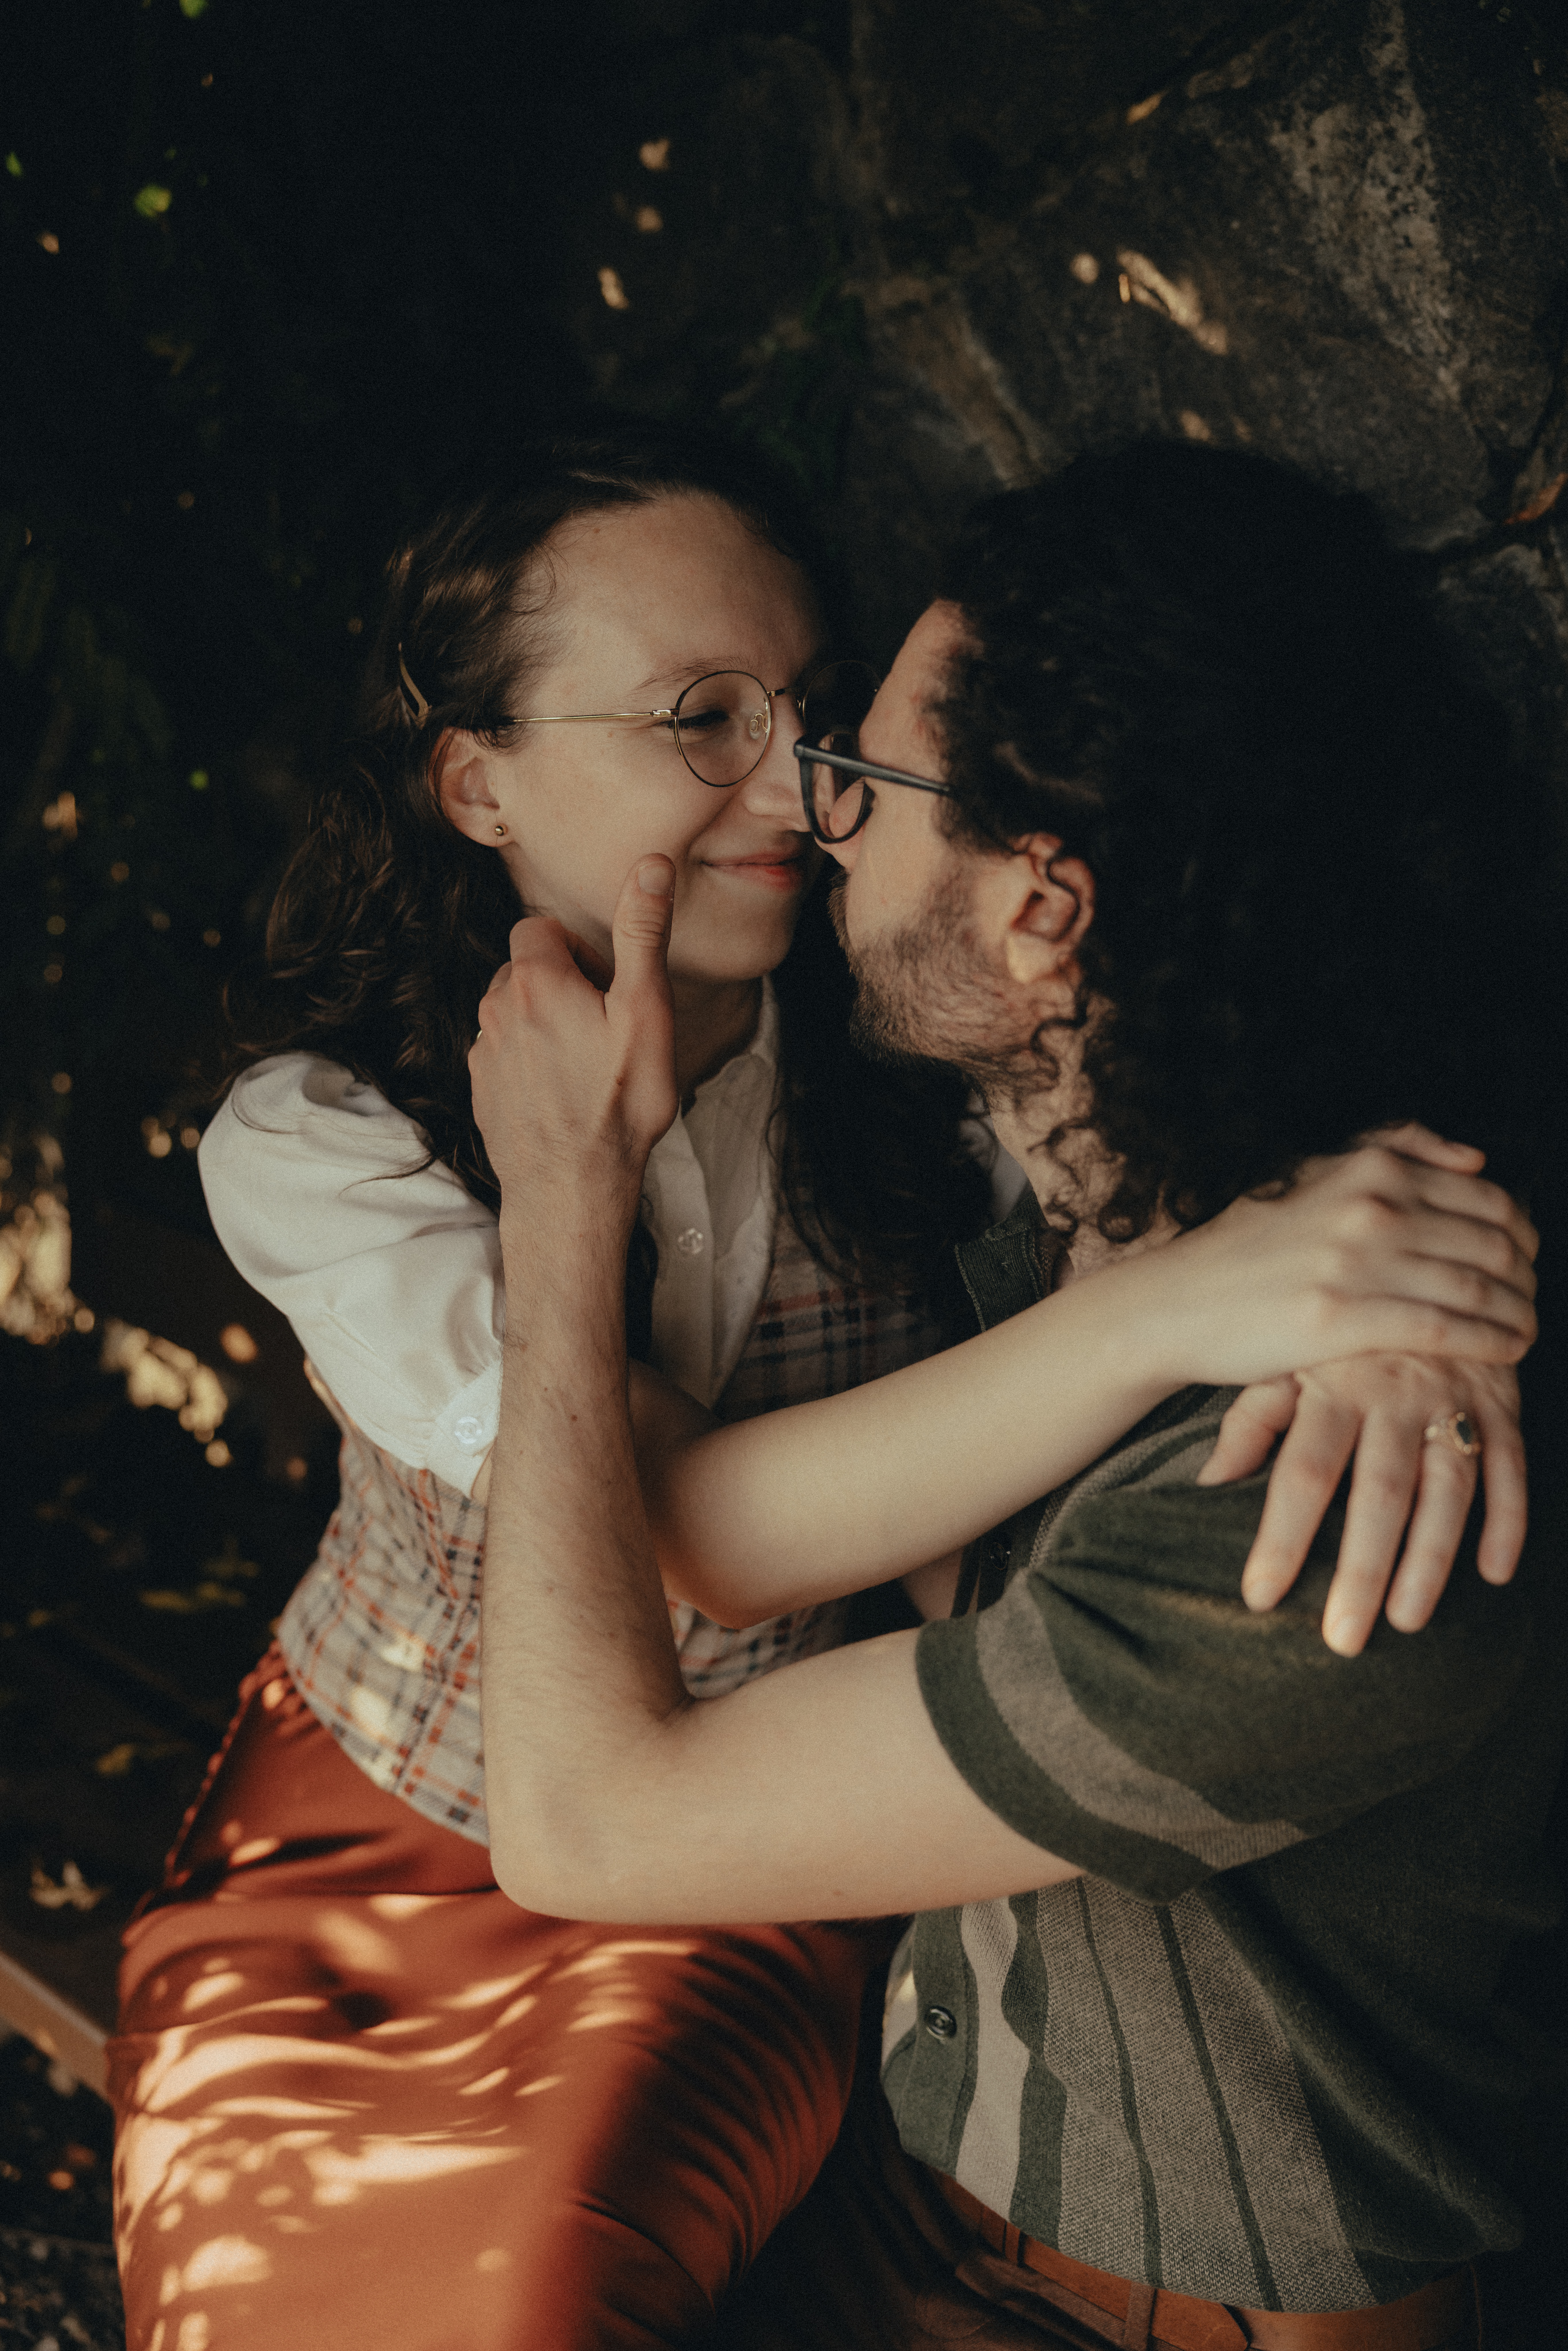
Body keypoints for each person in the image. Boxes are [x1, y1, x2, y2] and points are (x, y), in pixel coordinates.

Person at [110, 428, 1531, 2351]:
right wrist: (569, 1192)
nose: (802, 790)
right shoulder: (331, 1133)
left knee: (534, 2298)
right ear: (478, 781)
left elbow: (1233, 1014)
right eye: (703, 718)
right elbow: (689, 1538)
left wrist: (1399, 1296)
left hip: (751, 1856)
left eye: (822, 721)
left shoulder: (901, 1047)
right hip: (408, 1826)